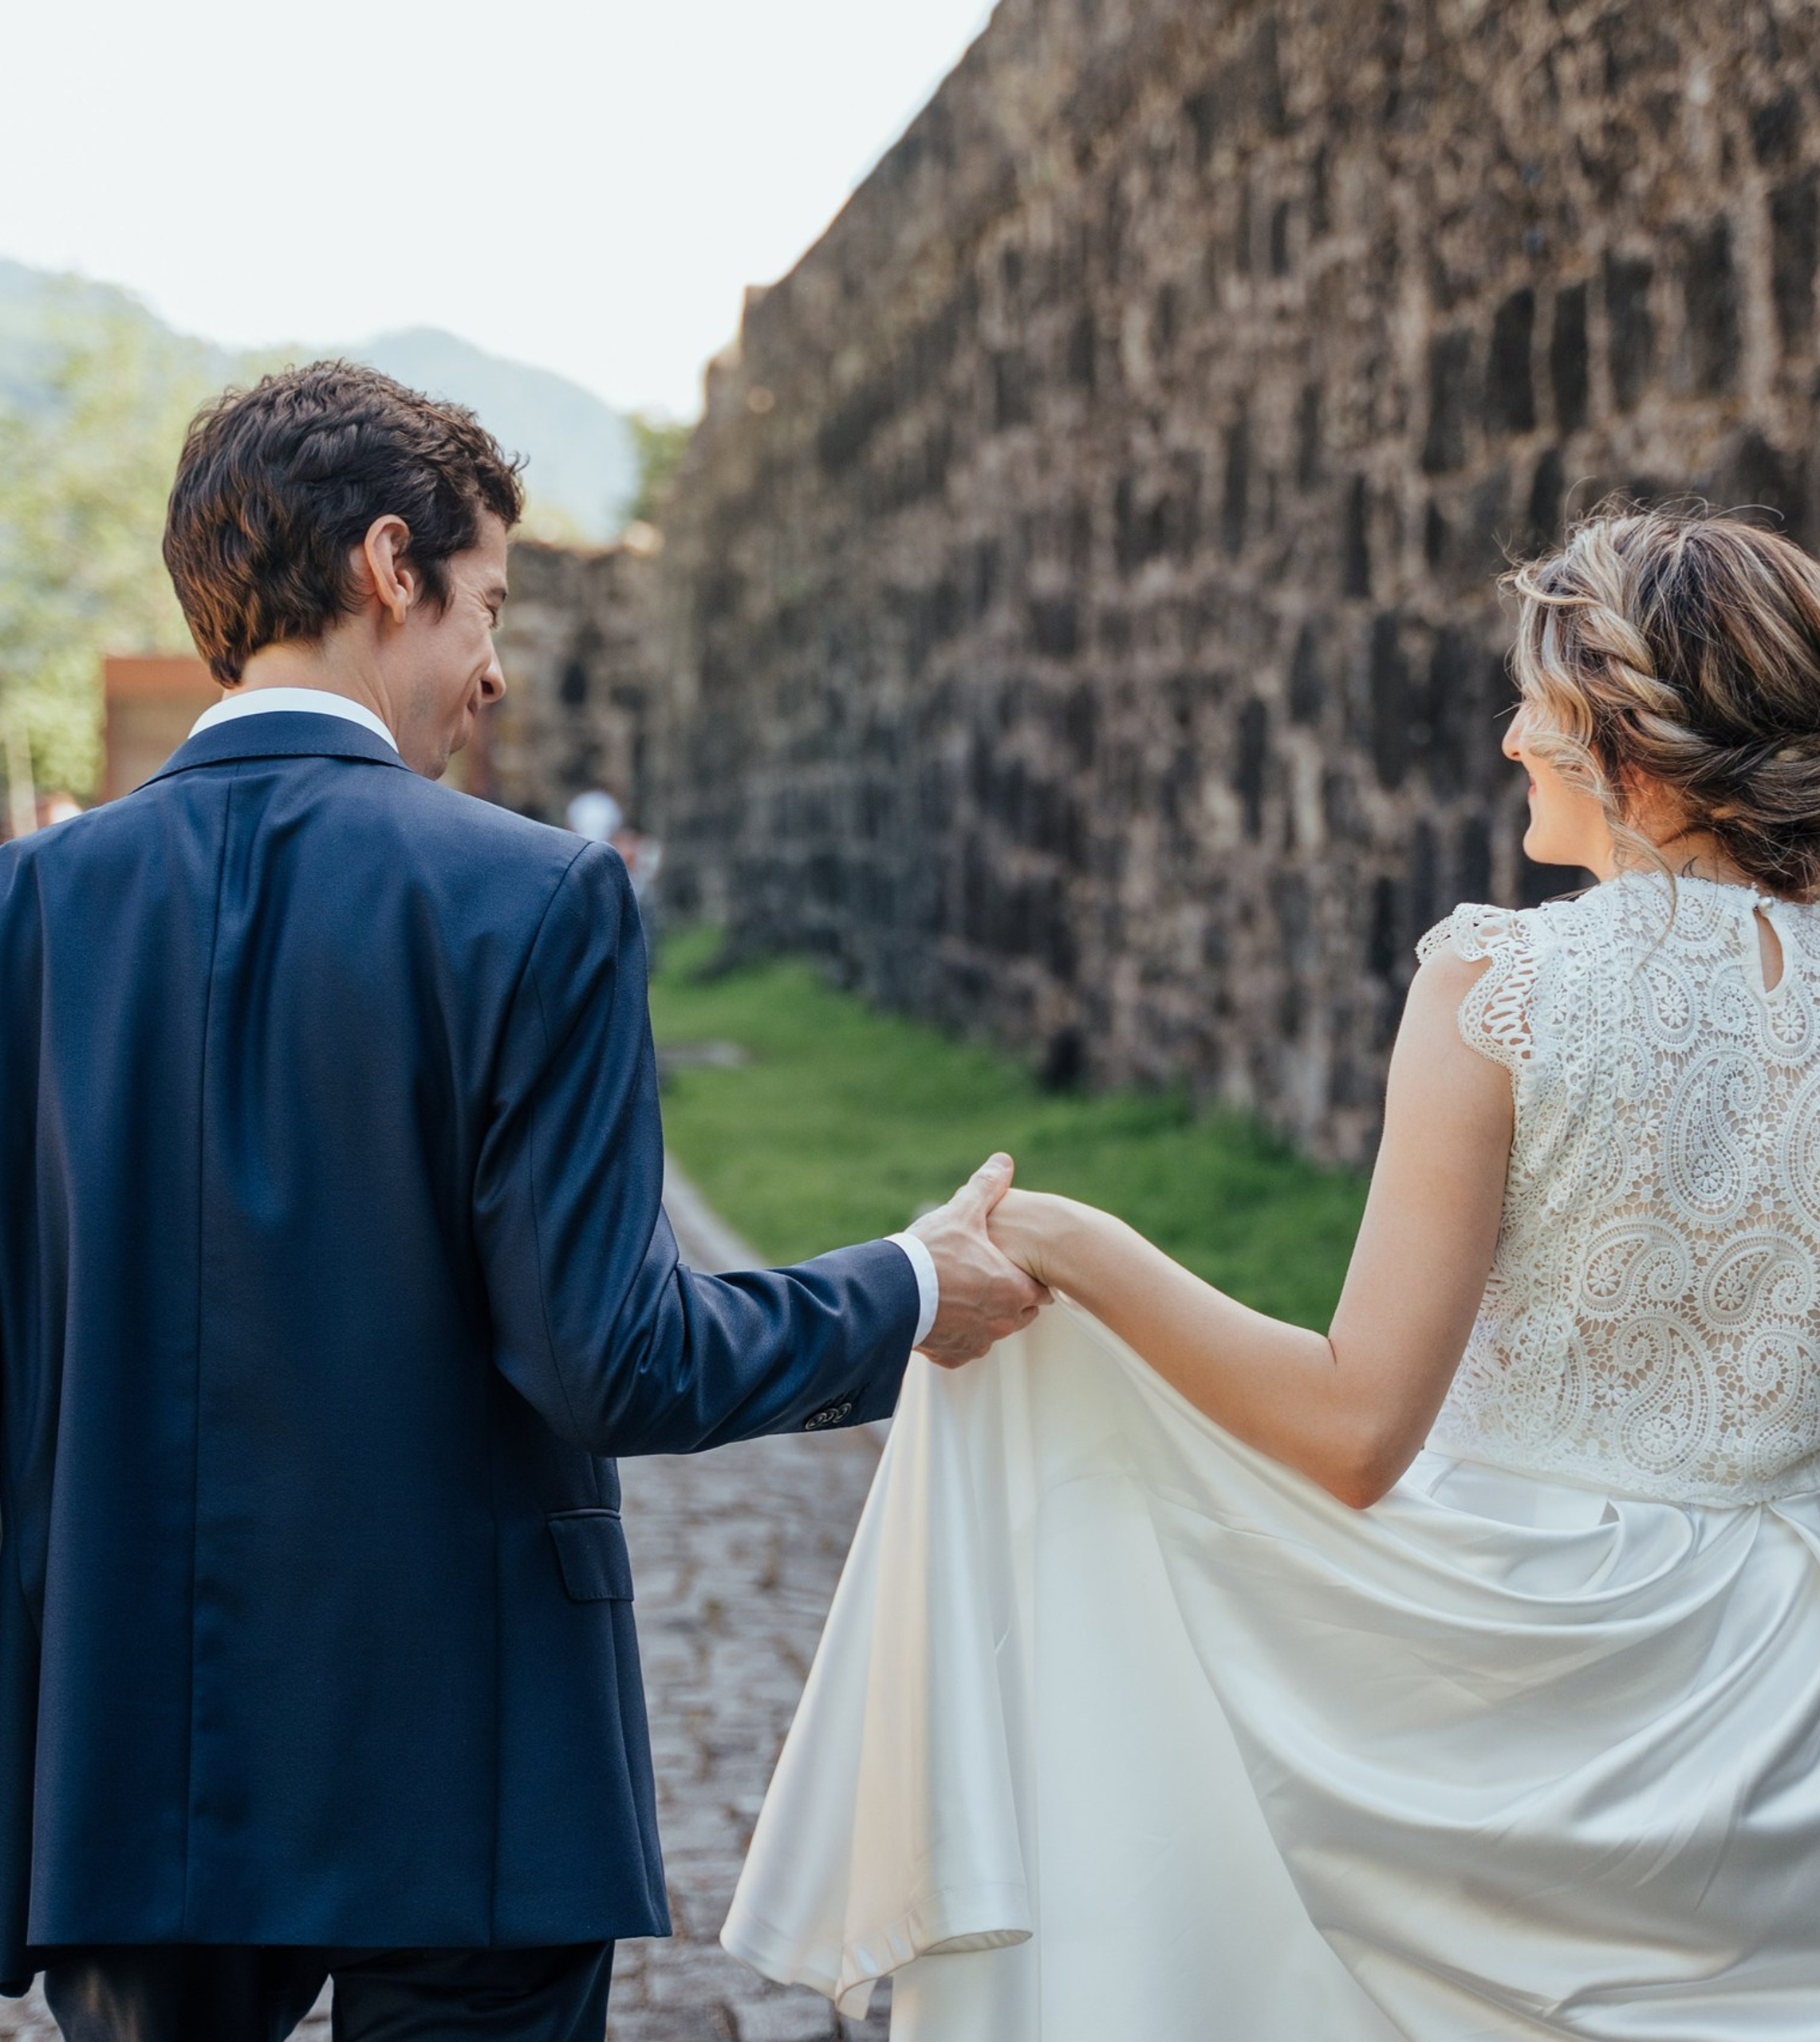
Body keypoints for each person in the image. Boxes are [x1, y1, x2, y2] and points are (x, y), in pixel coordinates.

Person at [723, 507, 1820, 2039]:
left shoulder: (1508, 984)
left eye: (1539, 705)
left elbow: (1357, 1433)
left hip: (1528, 1683)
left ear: (1629, 739)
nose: (1508, 737)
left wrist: (1068, 1241)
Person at [0, 361, 1045, 2042]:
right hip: (467, 1760)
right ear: (389, 568)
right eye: (484, 604)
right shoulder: (532, 895)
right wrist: (908, 1285)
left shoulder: (29, 911)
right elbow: (610, 1357)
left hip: (125, 1765)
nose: (494, 668)